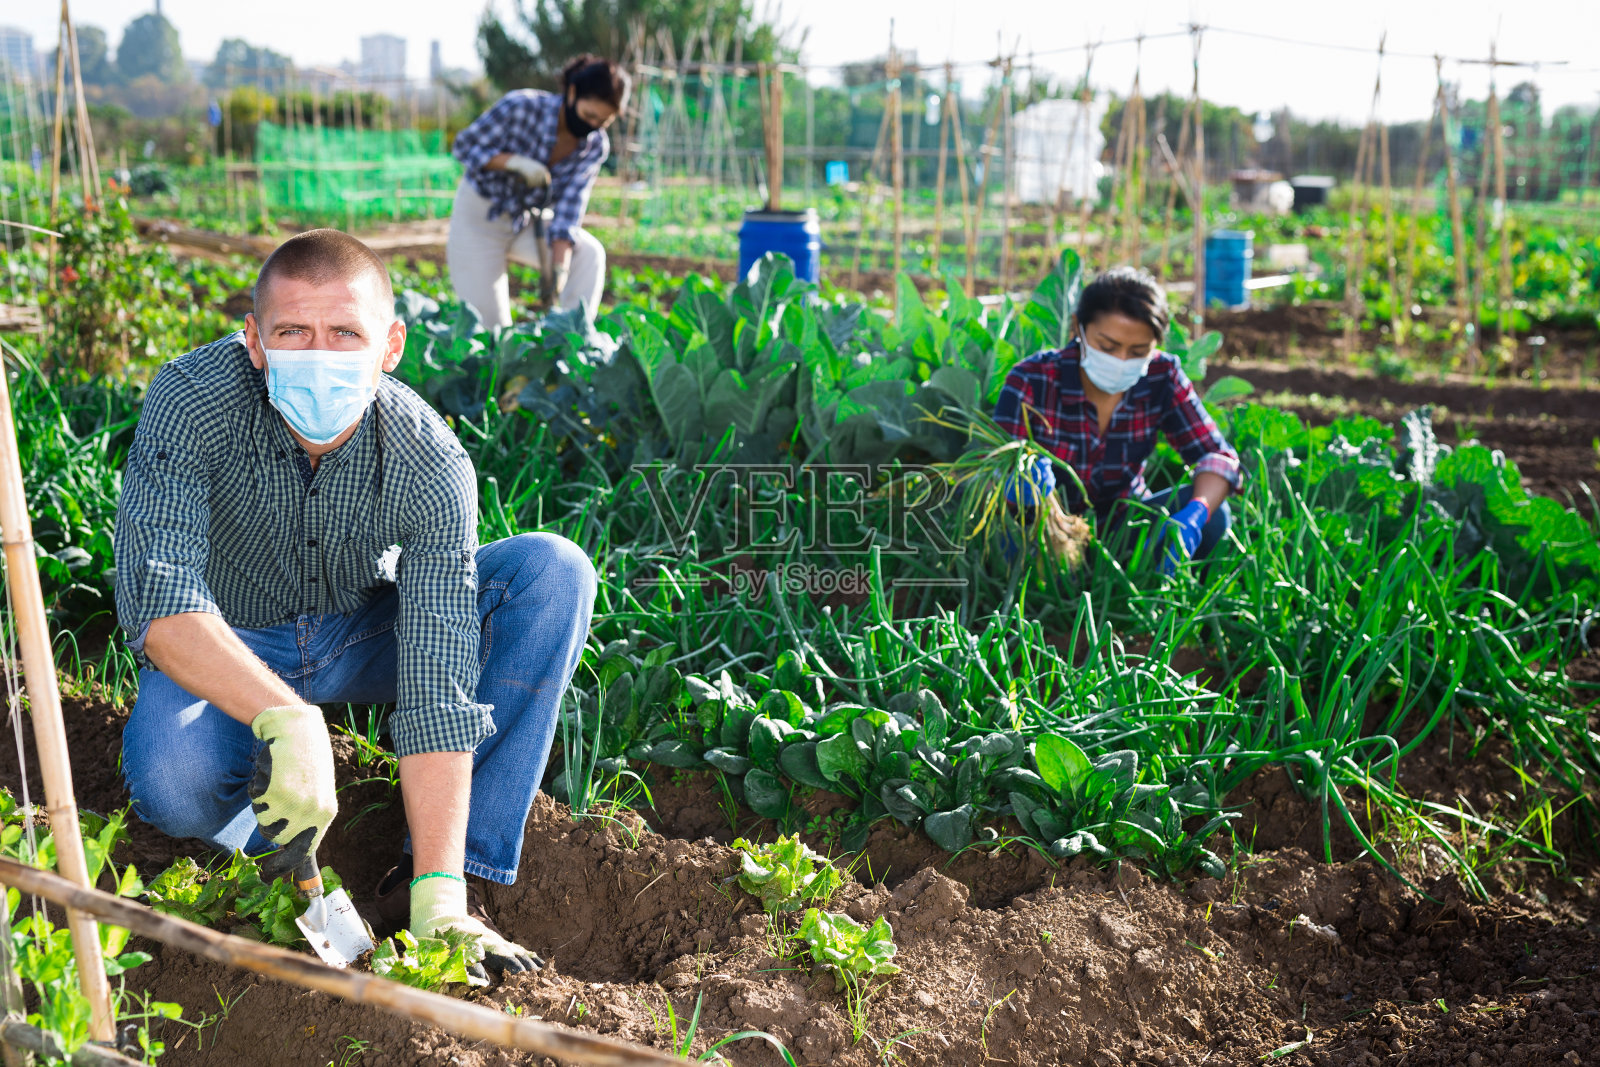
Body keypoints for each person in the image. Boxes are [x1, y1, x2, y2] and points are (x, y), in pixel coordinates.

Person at [113, 228, 597, 982]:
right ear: (254, 341)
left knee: (552, 571)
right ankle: (274, 848)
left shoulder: (429, 460)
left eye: (346, 333)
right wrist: (286, 715)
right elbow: (161, 598)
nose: (319, 354)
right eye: (292, 333)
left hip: (358, 634)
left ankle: (433, 880)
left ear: (391, 344)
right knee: (172, 778)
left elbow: (438, 678)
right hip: (231, 631)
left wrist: (441, 896)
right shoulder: (192, 400)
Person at [993, 266, 1242, 573]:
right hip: (1045, 529)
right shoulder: (1033, 379)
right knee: (1006, 537)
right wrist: (1015, 485)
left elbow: (1217, 458)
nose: (1121, 361)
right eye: (1107, 347)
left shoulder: (1161, 376)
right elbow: (991, 470)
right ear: (1077, 329)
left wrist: (1195, 514)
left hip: (1125, 528)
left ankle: (1156, 593)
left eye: (1138, 350)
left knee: (1214, 514)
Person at [447, 54, 630, 328]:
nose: (592, 126)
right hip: (479, 218)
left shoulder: (594, 146)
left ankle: (569, 340)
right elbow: (464, 147)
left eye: (602, 122)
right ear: (571, 93)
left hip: (522, 221)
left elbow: (570, 208)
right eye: (588, 115)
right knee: (492, 331)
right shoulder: (522, 107)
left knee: (589, 255)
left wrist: (558, 271)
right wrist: (513, 162)